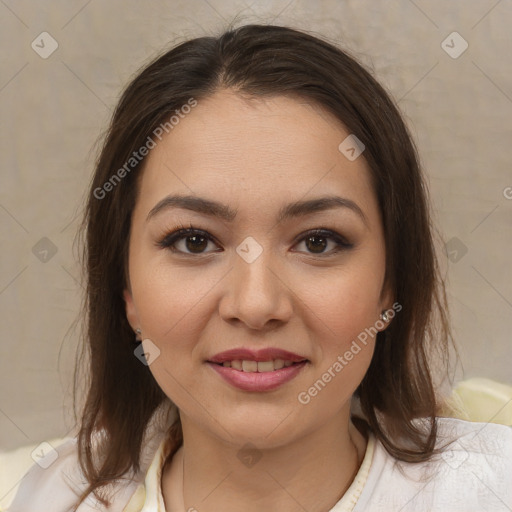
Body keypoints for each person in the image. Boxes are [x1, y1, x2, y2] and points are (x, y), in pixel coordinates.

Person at [7, 23, 511, 512]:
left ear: (389, 285)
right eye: (194, 240)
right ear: (127, 290)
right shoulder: (50, 496)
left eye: (318, 242)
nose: (255, 304)